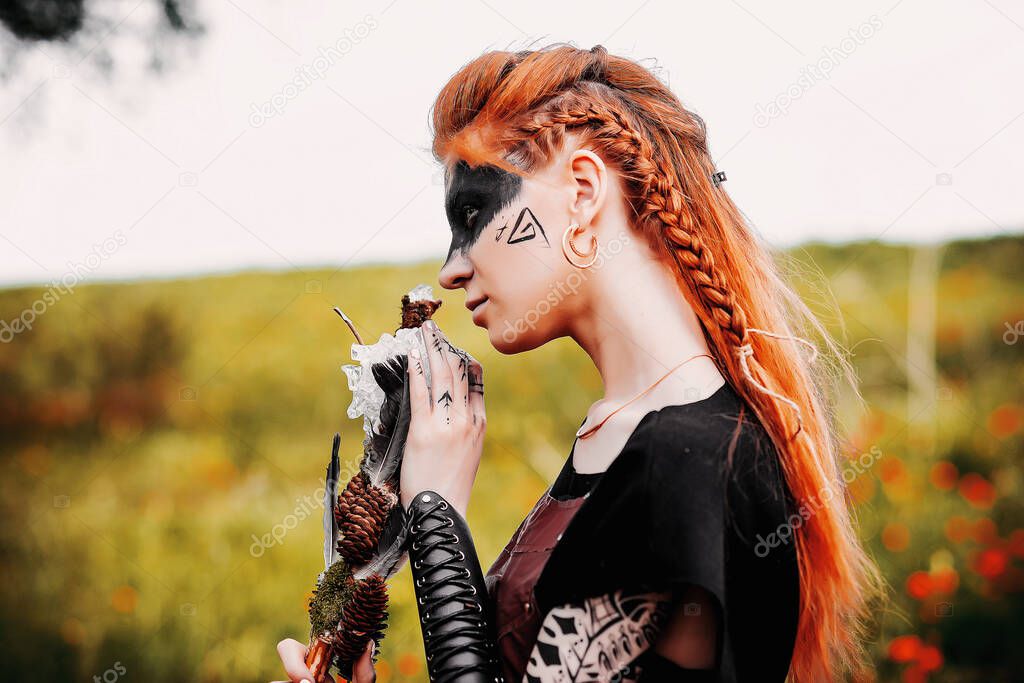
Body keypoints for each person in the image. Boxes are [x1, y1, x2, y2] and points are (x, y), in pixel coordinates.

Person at [275, 44, 880, 683]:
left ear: (584, 191)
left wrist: (435, 520)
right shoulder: (619, 437)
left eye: (473, 213)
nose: (451, 269)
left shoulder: (686, 461)